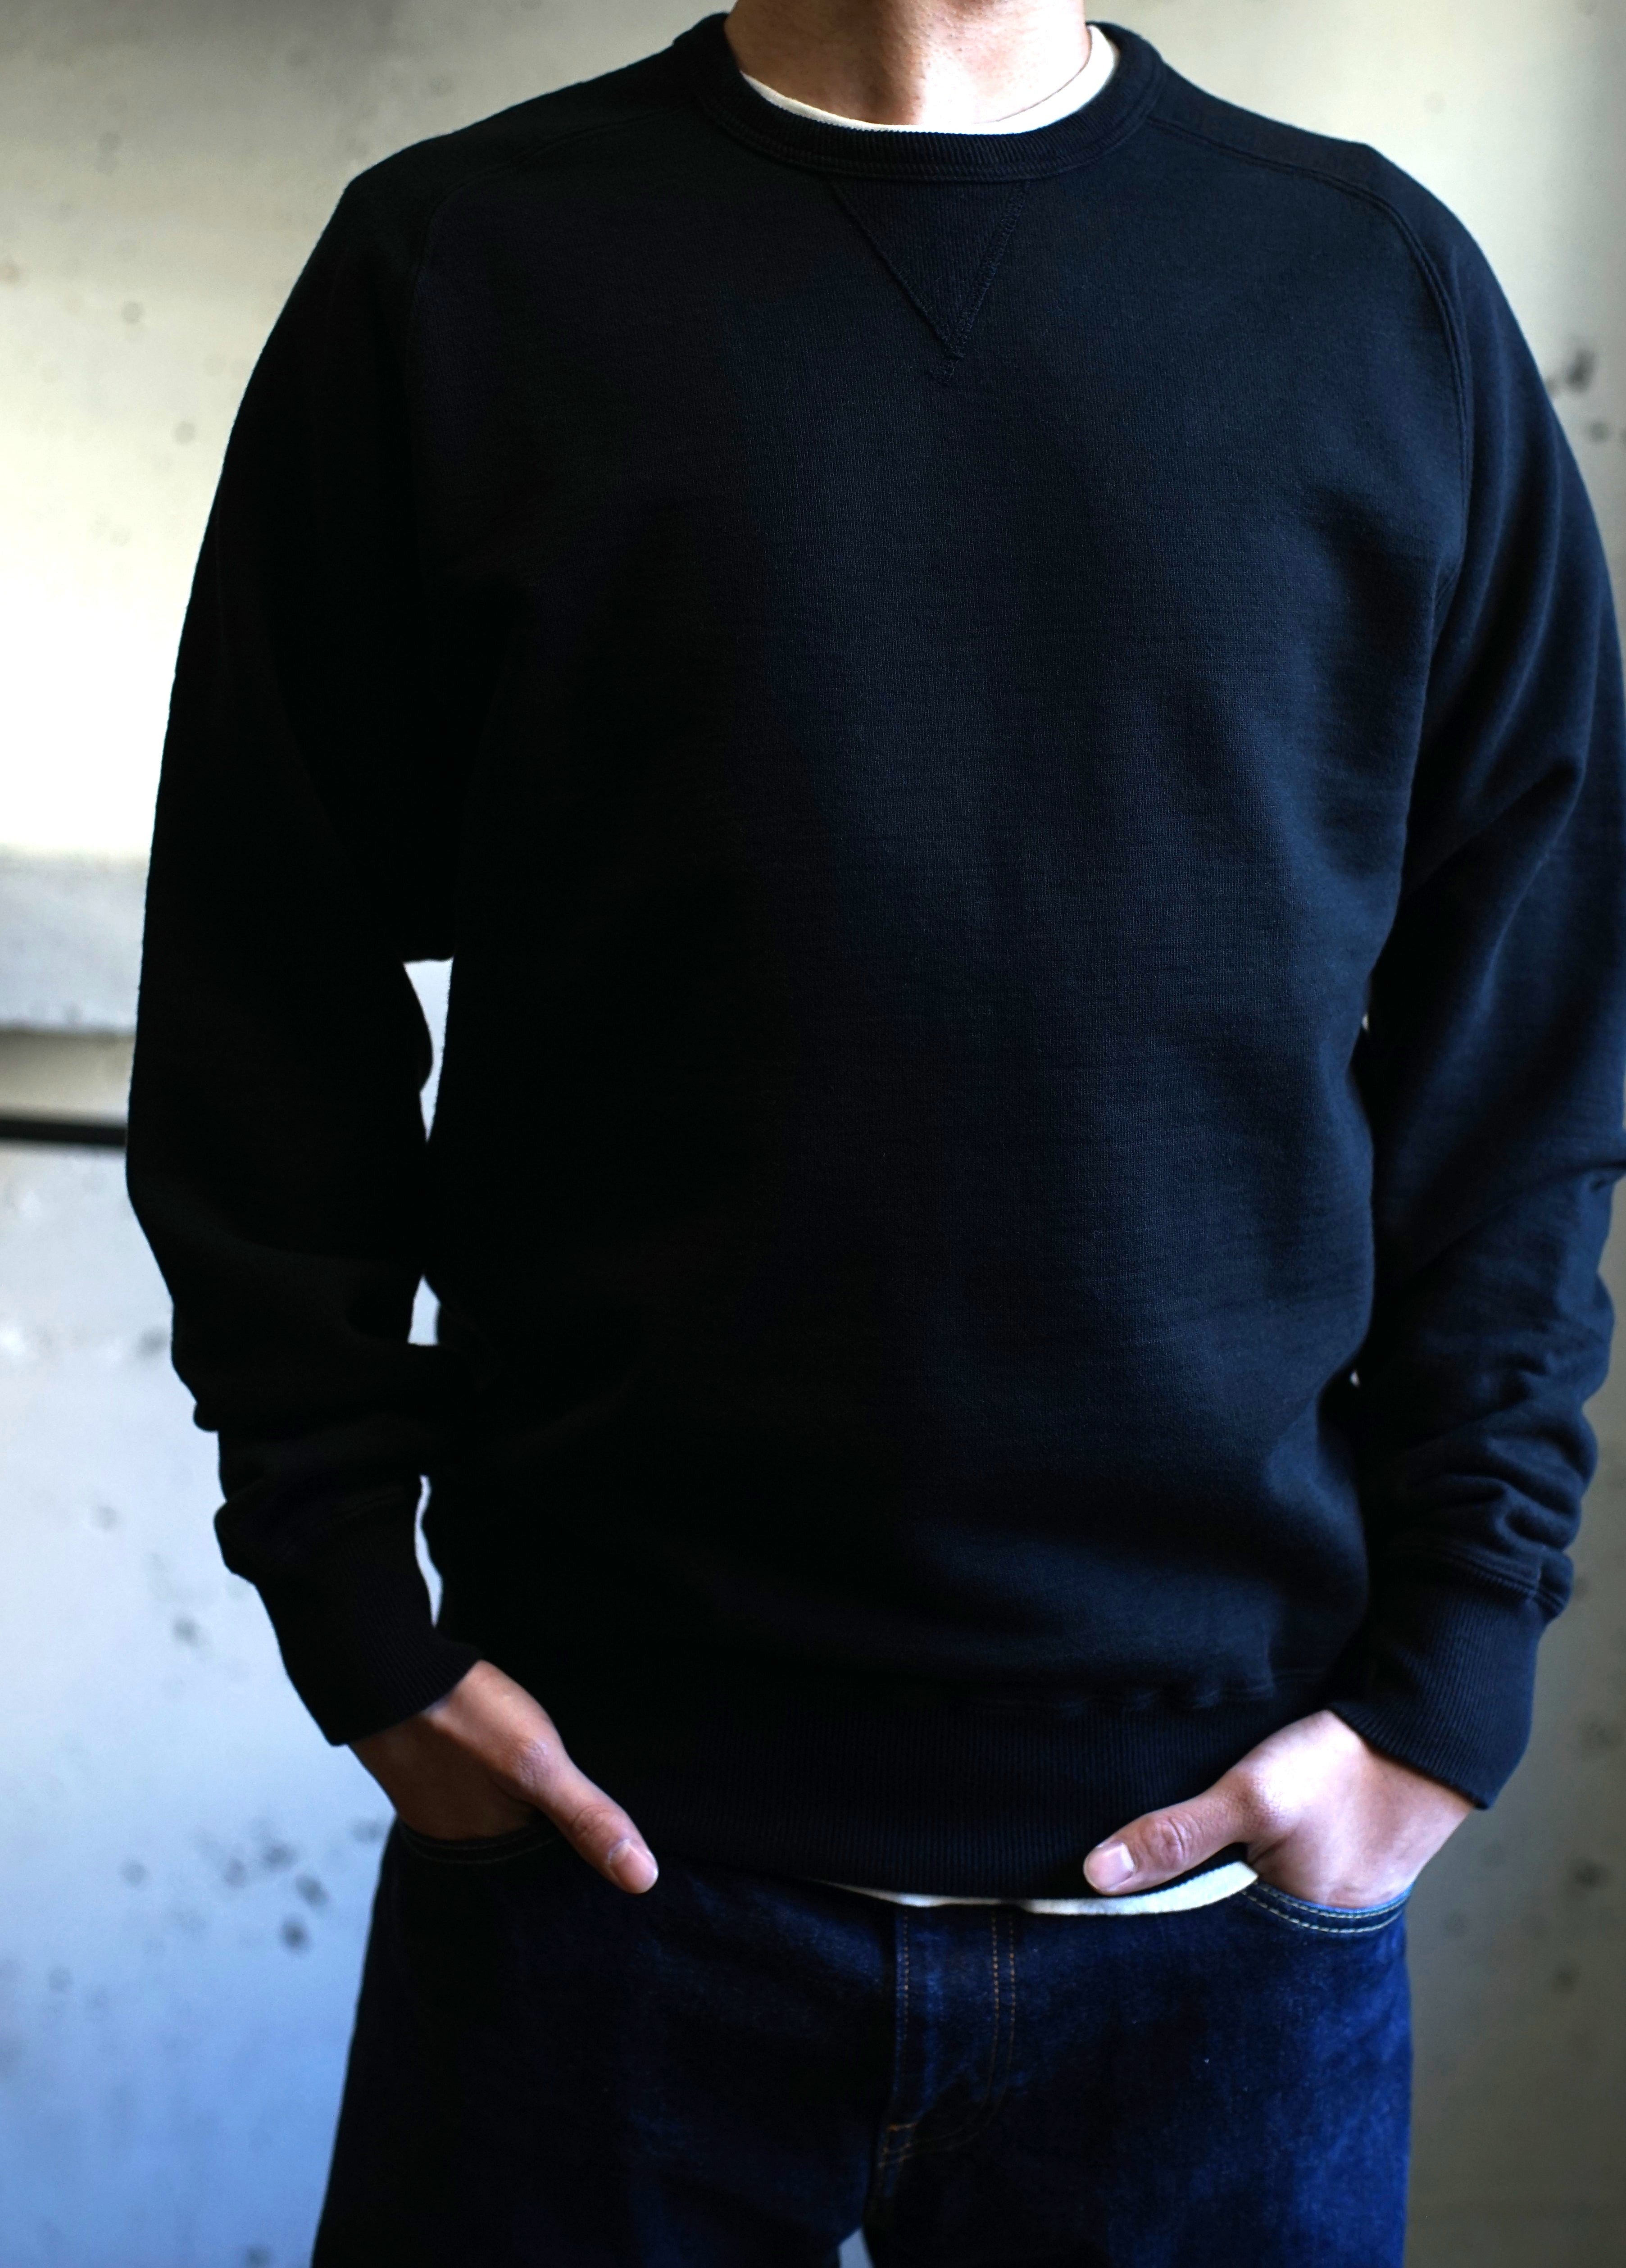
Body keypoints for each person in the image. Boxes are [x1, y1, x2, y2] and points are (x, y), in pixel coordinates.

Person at [126, 3, 1626, 2262]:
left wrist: (1450, 1685)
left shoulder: (1376, 296)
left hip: (1216, 1912)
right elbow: (263, 978)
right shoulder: (457, 274)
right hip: (598, 1877)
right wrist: (355, 1606)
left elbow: (1528, 1051)